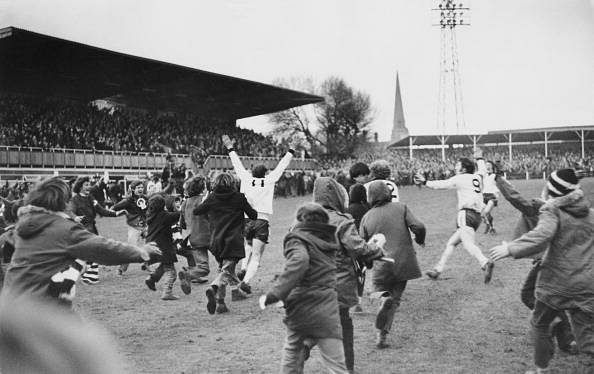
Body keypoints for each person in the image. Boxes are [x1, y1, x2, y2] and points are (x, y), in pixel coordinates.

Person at [490, 169, 593, 374]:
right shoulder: (590, 215)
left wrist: (510, 248)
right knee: (587, 336)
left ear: (552, 190)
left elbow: (542, 234)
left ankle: (541, 369)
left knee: (540, 323)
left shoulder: (551, 211)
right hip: (586, 284)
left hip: (556, 282)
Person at [1, 177, 161, 306]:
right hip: (36, 309)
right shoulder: (62, 228)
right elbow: (102, 248)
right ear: (61, 201)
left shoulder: (22, 226)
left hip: (10, 304)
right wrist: (141, 252)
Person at [262, 202, 348, 374]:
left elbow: (300, 261)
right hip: (327, 307)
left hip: (302, 305)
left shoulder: (297, 238)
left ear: (300, 220)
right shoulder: (330, 239)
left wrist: (275, 294)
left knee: (292, 353)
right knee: (336, 365)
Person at [313, 177, 384, 373]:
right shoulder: (341, 221)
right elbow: (358, 248)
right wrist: (377, 250)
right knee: (343, 325)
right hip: (336, 283)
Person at [221, 134, 294, 299]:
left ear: (252, 171)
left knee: (247, 245)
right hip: (262, 220)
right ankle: (245, 281)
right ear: (265, 173)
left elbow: (237, 164)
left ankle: (244, 267)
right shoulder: (270, 180)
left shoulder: (246, 178)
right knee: (257, 254)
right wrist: (291, 150)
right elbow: (282, 165)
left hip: (246, 219)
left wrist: (230, 148)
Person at [359, 180, 426, 349]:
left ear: (370, 197)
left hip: (382, 263)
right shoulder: (401, 207)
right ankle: (382, 336)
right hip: (404, 262)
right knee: (395, 300)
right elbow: (418, 226)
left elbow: (361, 245)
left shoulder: (366, 217)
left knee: (375, 292)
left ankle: (382, 298)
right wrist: (420, 239)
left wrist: (368, 263)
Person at [414, 150, 495, 283]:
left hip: (466, 214)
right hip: (477, 217)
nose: (455, 167)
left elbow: (442, 185)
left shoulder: (460, 178)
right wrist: (480, 158)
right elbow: (483, 170)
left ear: (463, 168)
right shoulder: (478, 177)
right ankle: (438, 270)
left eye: (458, 165)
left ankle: (485, 262)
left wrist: (425, 182)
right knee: (451, 243)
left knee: (468, 244)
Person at [194, 172, 257, 314]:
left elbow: (197, 211)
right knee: (226, 272)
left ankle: (221, 303)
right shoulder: (239, 198)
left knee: (224, 270)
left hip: (216, 241)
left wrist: (206, 200)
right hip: (233, 240)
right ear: (232, 183)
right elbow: (253, 215)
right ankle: (214, 286)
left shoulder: (212, 198)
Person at [70, 176, 126, 284]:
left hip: (92, 229)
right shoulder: (75, 199)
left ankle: (87, 275)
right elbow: (70, 211)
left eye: (89, 184)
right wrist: (75, 218)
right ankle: (87, 276)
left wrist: (116, 213)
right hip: (81, 230)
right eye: (86, 185)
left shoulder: (90, 197)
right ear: (80, 187)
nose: (89, 186)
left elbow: (101, 210)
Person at [144, 194, 182, 300]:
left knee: (163, 265)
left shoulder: (150, 215)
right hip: (163, 246)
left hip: (151, 246)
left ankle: (152, 279)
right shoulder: (164, 216)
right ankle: (167, 292)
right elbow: (177, 215)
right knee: (171, 271)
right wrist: (180, 208)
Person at [178, 175, 211, 294]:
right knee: (208, 267)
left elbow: (182, 224)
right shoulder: (204, 200)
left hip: (193, 238)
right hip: (208, 236)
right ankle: (189, 274)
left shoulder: (185, 202)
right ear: (203, 188)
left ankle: (187, 272)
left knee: (202, 265)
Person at [113, 180, 148, 274]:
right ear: (133, 189)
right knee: (131, 249)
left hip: (145, 226)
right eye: (138, 188)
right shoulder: (128, 200)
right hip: (134, 227)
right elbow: (115, 207)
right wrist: (122, 212)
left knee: (152, 245)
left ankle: (147, 264)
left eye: (141, 187)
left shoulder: (145, 198)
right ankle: (121, 269)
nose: (140, 189)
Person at [481, 160, 500, 234]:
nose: (487, 166)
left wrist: (497, 194)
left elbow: (502, 183)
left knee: (486, 212)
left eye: (489, 164)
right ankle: (490, 226)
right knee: (481, 214)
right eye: (486, 165)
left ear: (492, 166)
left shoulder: (495, 175)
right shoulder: (484, 175)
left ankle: (490, 227)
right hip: (484, 195)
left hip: (492, 196)